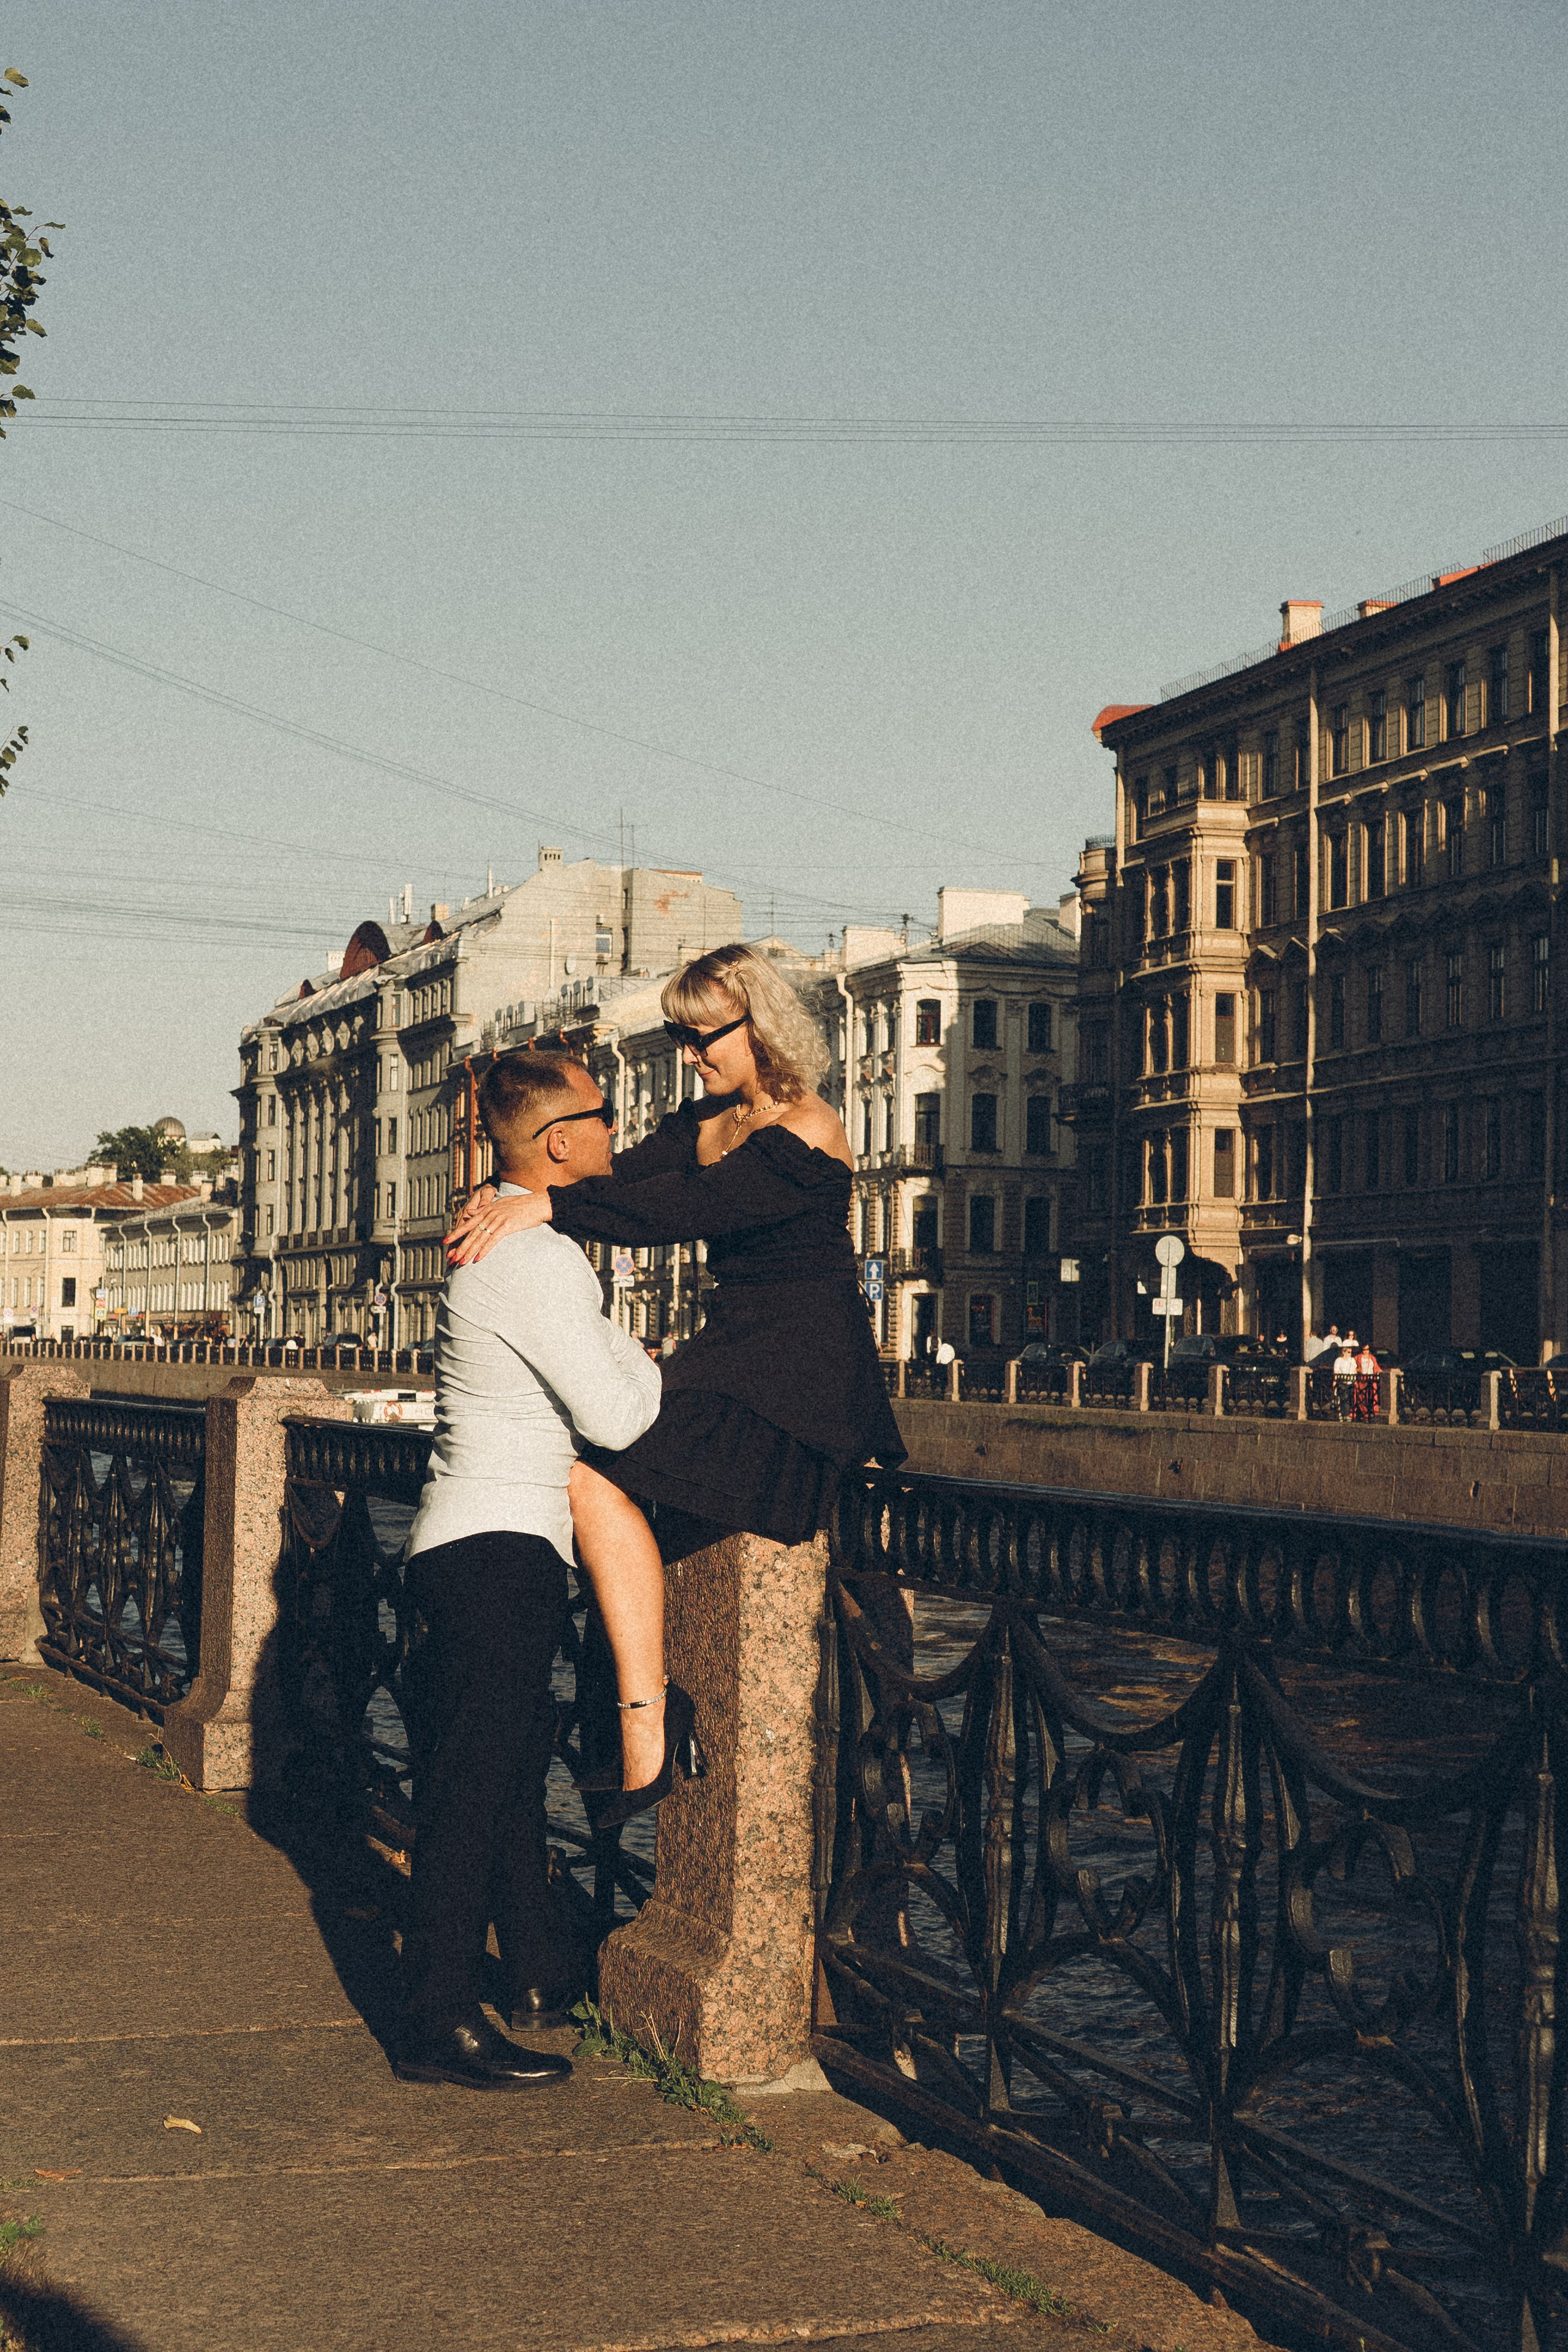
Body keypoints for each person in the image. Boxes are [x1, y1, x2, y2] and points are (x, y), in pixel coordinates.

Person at [447, 943, 907, 1810]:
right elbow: (607, 1173)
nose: (690, 1057)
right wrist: (504, 1189)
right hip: (730, 1356)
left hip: (799, 1381)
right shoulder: (702, 1124)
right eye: (678, 1038)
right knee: (592, 1470)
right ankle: (630, 1721)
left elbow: (681, 1211)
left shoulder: (807, 1129)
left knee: (594, 1476)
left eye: (703, 1038)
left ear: (758, 1024)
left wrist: (547, 1206)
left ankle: (641, 1724)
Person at [394, 1049, 663, 2091]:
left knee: (504, 1780)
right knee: (472, 1791)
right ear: (560, 1140)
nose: (615, 1135)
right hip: (501, 1548)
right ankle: (437, 2018)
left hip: (466, 1542)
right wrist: (646, 1354)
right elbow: (618, 1414)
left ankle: (541, 1972)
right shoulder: (537, 1259)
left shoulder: (498, 1233)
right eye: (604, 1116)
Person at [1333, 1332, 1359, 1420]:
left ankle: (1348, 1414)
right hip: (1342, 1382)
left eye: (1351, 1352)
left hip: (1351, 1382)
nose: (1350, 1354)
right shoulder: (1339, 1360)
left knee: (1350, 1399)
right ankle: (1345, 1415)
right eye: (1348, 1352)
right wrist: (1335, 1382)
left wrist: (1355, 1381)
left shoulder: (1352, 1360)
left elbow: (1355, 1370)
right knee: (1344, 1398)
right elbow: (1336, 1372)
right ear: (1343, 1352)